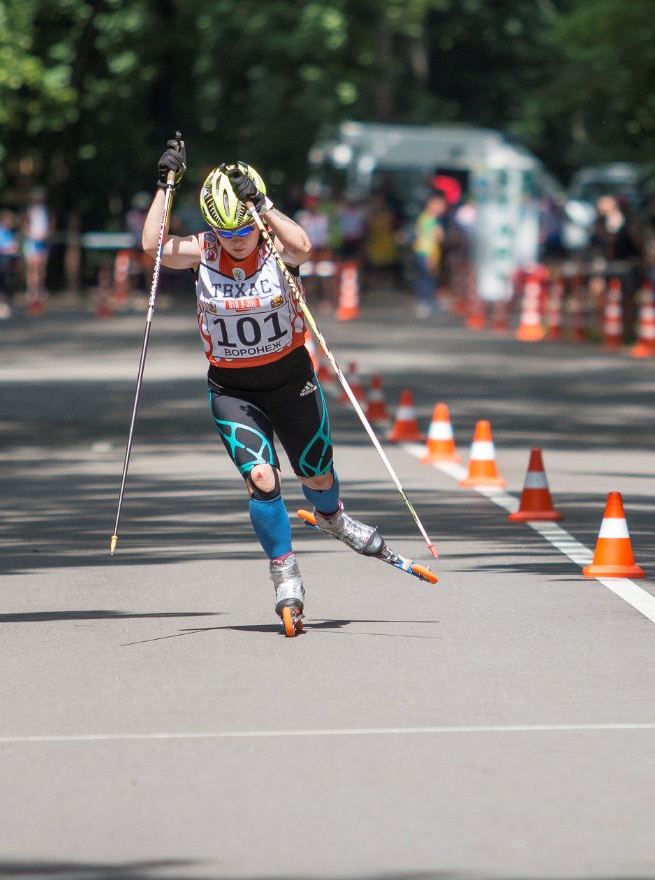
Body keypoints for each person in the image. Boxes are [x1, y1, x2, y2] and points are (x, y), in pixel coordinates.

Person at [142, 137, 393, 632]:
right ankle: (285, 573)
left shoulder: (275, 245)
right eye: (224, 229)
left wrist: (262, 206)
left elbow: (304, 246)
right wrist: (164, 187)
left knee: (317, 476)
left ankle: (333, 516)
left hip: (291, 379)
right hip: (233, 390)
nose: (236, 238)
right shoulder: (203, 251)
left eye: (243, 228)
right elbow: (152, 248)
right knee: (263, 478)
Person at [411, 191, 446, 317]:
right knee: (427, 279)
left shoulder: (429, 218)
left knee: (427, 278)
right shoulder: (428, 219)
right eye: (440, 204)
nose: (443, 207)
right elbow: (433, 238)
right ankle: (425, 302)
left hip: (428, 253)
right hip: (427, 253)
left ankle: (427, 302)